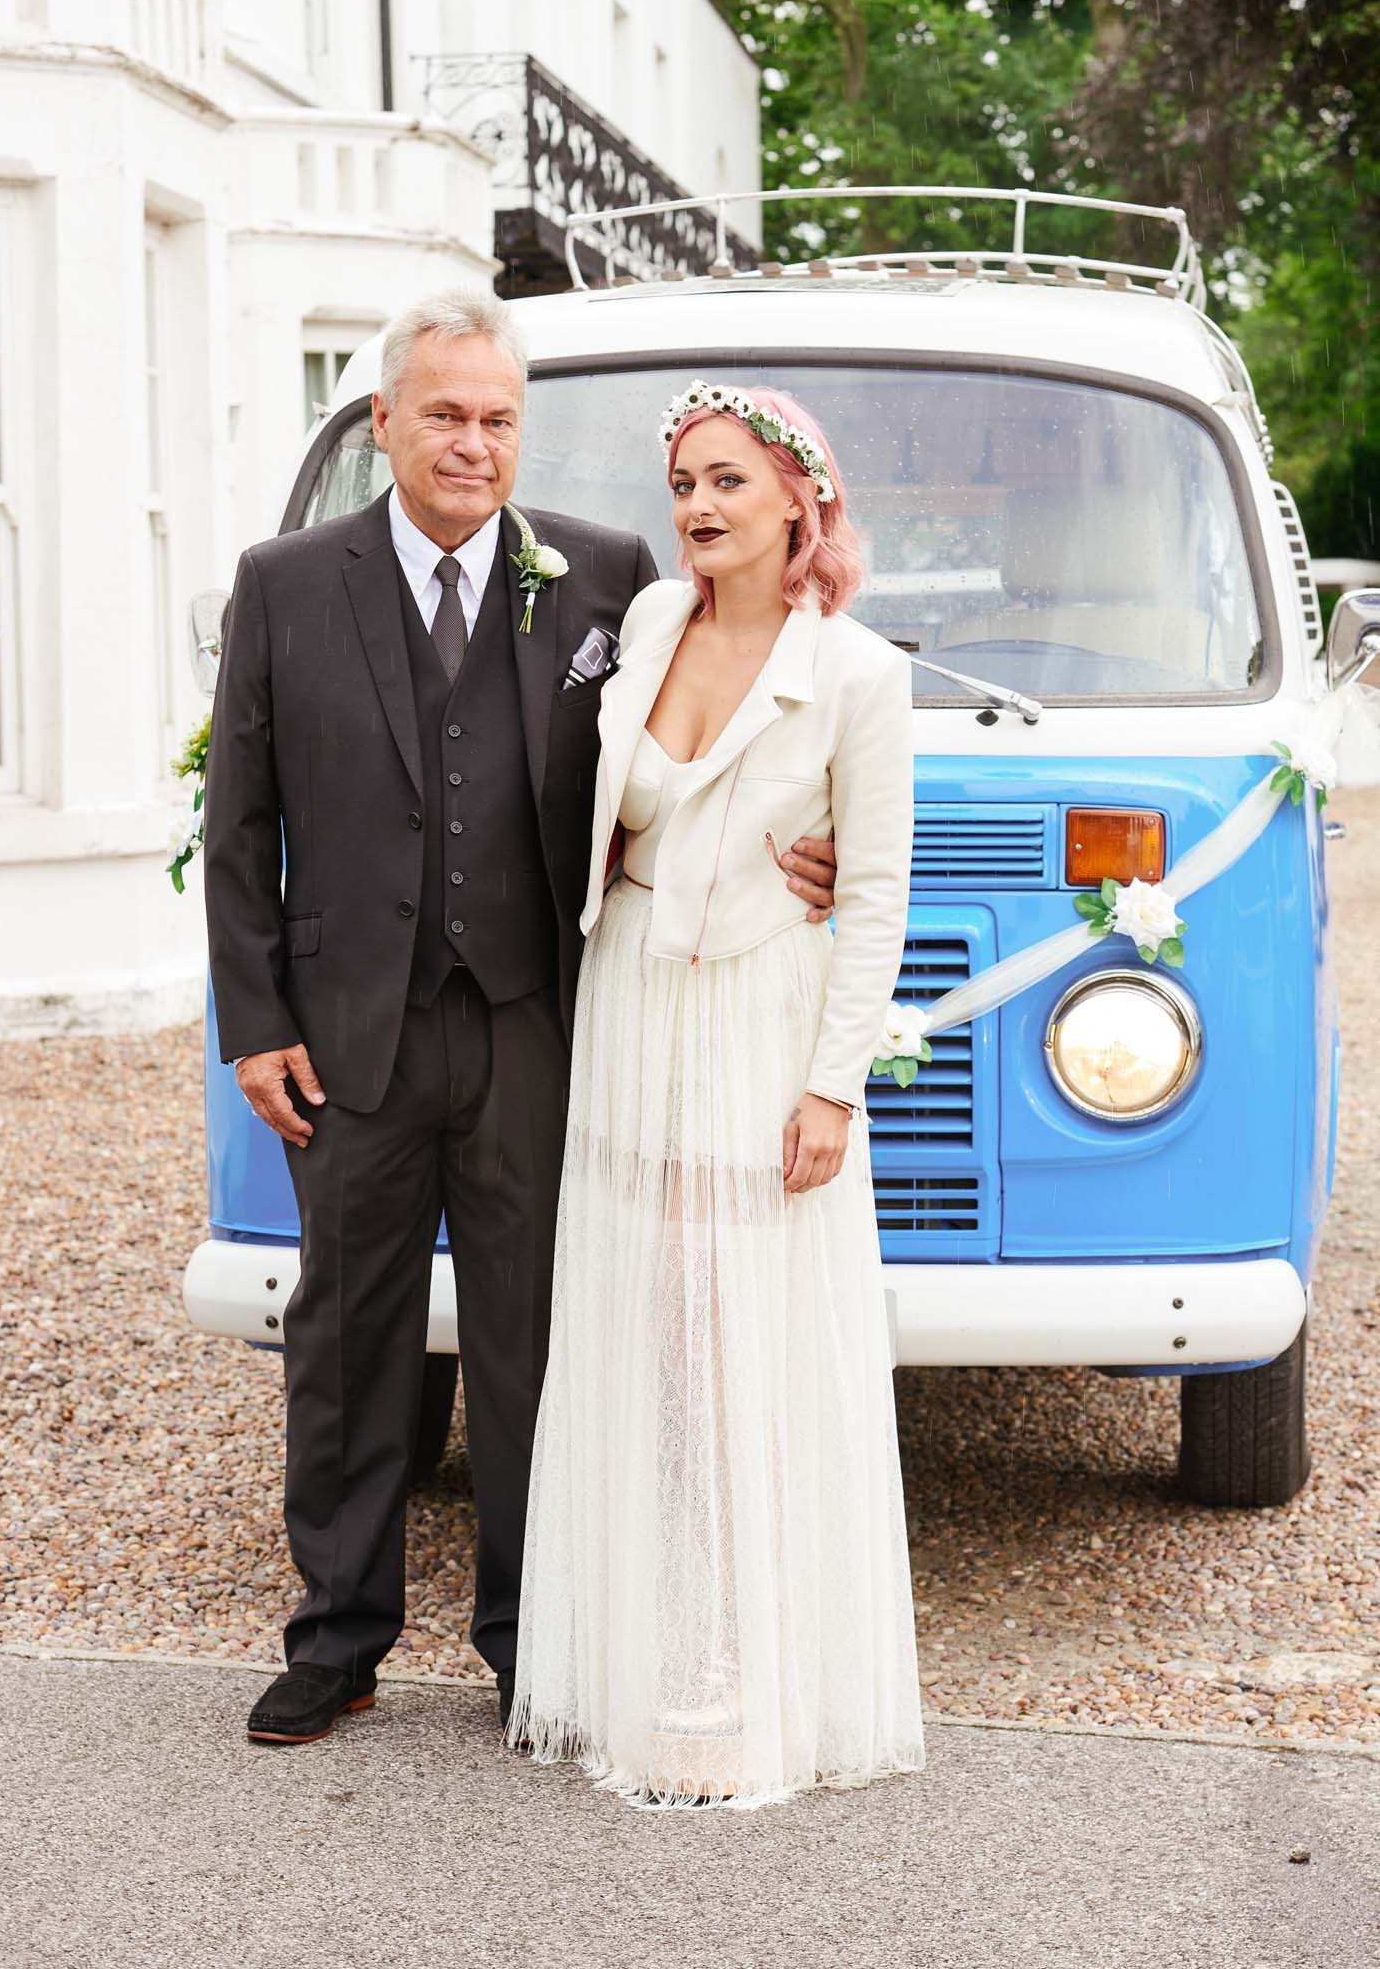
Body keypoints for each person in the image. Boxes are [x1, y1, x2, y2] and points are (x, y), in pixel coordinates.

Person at [202, 292, 840, 1746]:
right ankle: (339, 1636)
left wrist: (820, 846)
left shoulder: (608, 575)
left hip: (540, 1023)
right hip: (348, 1030)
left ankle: (528, 1643)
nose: (472, 445)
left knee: (537, 1345)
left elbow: (755, 690)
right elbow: (237, 823)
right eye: (443, 415)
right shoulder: (287, 582)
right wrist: (255, 1021)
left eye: (497, 419)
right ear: (385, 424)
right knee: (347, 1342)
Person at [508, 381, 925, 1806]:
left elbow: (870, 899)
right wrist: (620, 875)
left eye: (729, 482)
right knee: (653, 1338)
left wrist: (830, 1091)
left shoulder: (859, 675)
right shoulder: (643, 626)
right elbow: (605, 808)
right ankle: (656, 1661)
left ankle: (749, 1682)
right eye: (683, 481)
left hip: (762, 1024)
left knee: (744, 1343)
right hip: (632, 1007)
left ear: (800, 502)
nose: (697, 507)